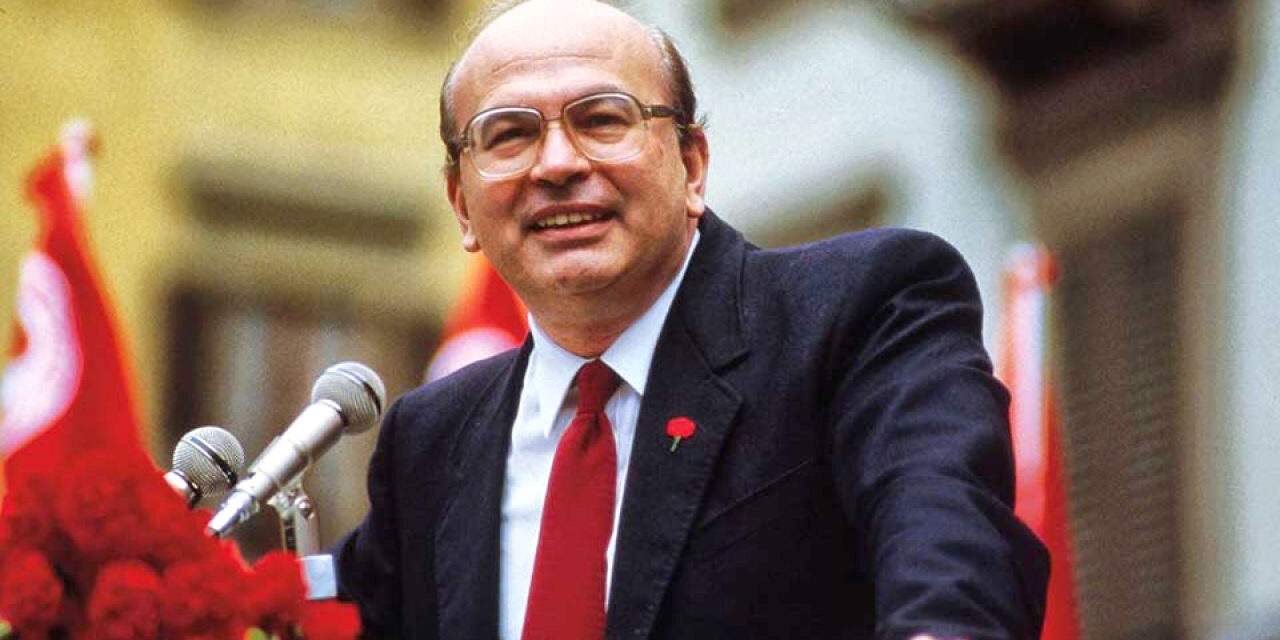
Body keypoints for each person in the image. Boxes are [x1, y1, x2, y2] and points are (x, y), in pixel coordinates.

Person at [336, 0, 1050, 638]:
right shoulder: (428, 439)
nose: (555, 164)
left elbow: (946, 532)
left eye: (602, 120)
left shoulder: (860, 310)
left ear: (693, 165)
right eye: (509, 135)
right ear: (462, 205)